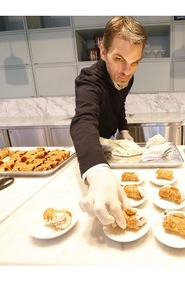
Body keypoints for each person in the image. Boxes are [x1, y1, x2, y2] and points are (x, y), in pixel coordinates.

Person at [70, 17, 147, 229]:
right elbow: (83, 121)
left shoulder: (127, 76)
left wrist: (124, 130)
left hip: (110, 142)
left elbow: (119, 102)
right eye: (119, 59)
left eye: (135, 62)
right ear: (103, 52)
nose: (127, 71)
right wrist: (97, 172)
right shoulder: (89, 80)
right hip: (91, 147)